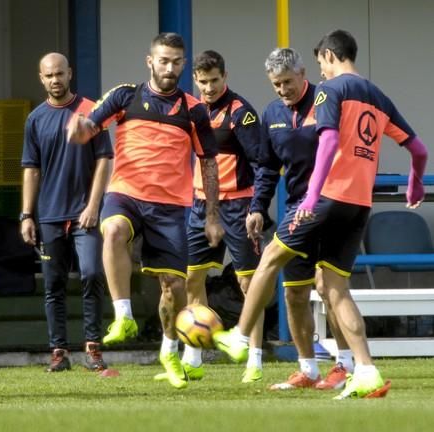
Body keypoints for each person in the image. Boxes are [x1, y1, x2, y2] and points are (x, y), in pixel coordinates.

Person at [215, 30, 427, 400]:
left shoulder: (331, 89)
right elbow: (418, 148)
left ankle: (238, 337)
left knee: (268, 259)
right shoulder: (378, 96)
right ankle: (366, 369)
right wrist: (416, 185)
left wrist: (311, 197)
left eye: (318, 64)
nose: (320, 71)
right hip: (359, 203)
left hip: (325, 198)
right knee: (334, 288)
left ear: (328, 57)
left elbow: (328, 141)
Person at [68, 33, 222, 389]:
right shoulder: (126, 95)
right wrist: (81, 130)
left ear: (184, 65)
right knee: (114, 231)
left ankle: (169, 349)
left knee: (173, 287)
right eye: (163, 60)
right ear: (149, 61)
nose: (170, 68)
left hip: (171, 208)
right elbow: (92, 125)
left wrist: (212, 214)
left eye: (176, 62)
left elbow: (209, 162)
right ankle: (123, 316)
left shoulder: (194, 110)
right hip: (127, 194)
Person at [155, 50, 264, 384]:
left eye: (215, 80)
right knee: (191, 279)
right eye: (203, 82)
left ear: (225, 77)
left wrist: (257, 207)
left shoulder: (241, 114)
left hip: (238, 206)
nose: (209, 87)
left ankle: (255, 361)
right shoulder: (192, 110)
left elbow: (262, 163)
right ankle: (194, 358)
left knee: (249, 284)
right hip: (199, 206)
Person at [247, 47, 352, 391]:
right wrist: (258, 208)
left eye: (287, 82)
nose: (282, 90)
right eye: (276, 84)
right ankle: (308, 369)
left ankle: (346, 364)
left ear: (303, 73)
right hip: (295, 210)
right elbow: (266, 167)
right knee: (294, 293)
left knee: (327, 286)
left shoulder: (325, 102)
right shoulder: (272, 113)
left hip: (331, 207)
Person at [20, 52, 113, 372]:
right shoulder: (35, 119)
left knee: (91, 274)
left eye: (60, 73)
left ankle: (93, 349)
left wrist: (93, 206)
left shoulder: (90, 112)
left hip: (84, 214)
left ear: (70, 73)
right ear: (41, 78)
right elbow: (31, 170)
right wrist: (26, 214)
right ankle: (59, 352)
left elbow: (104, 159)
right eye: (49, 75)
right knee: (53, 284)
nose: (55, 80)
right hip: (48, 215)